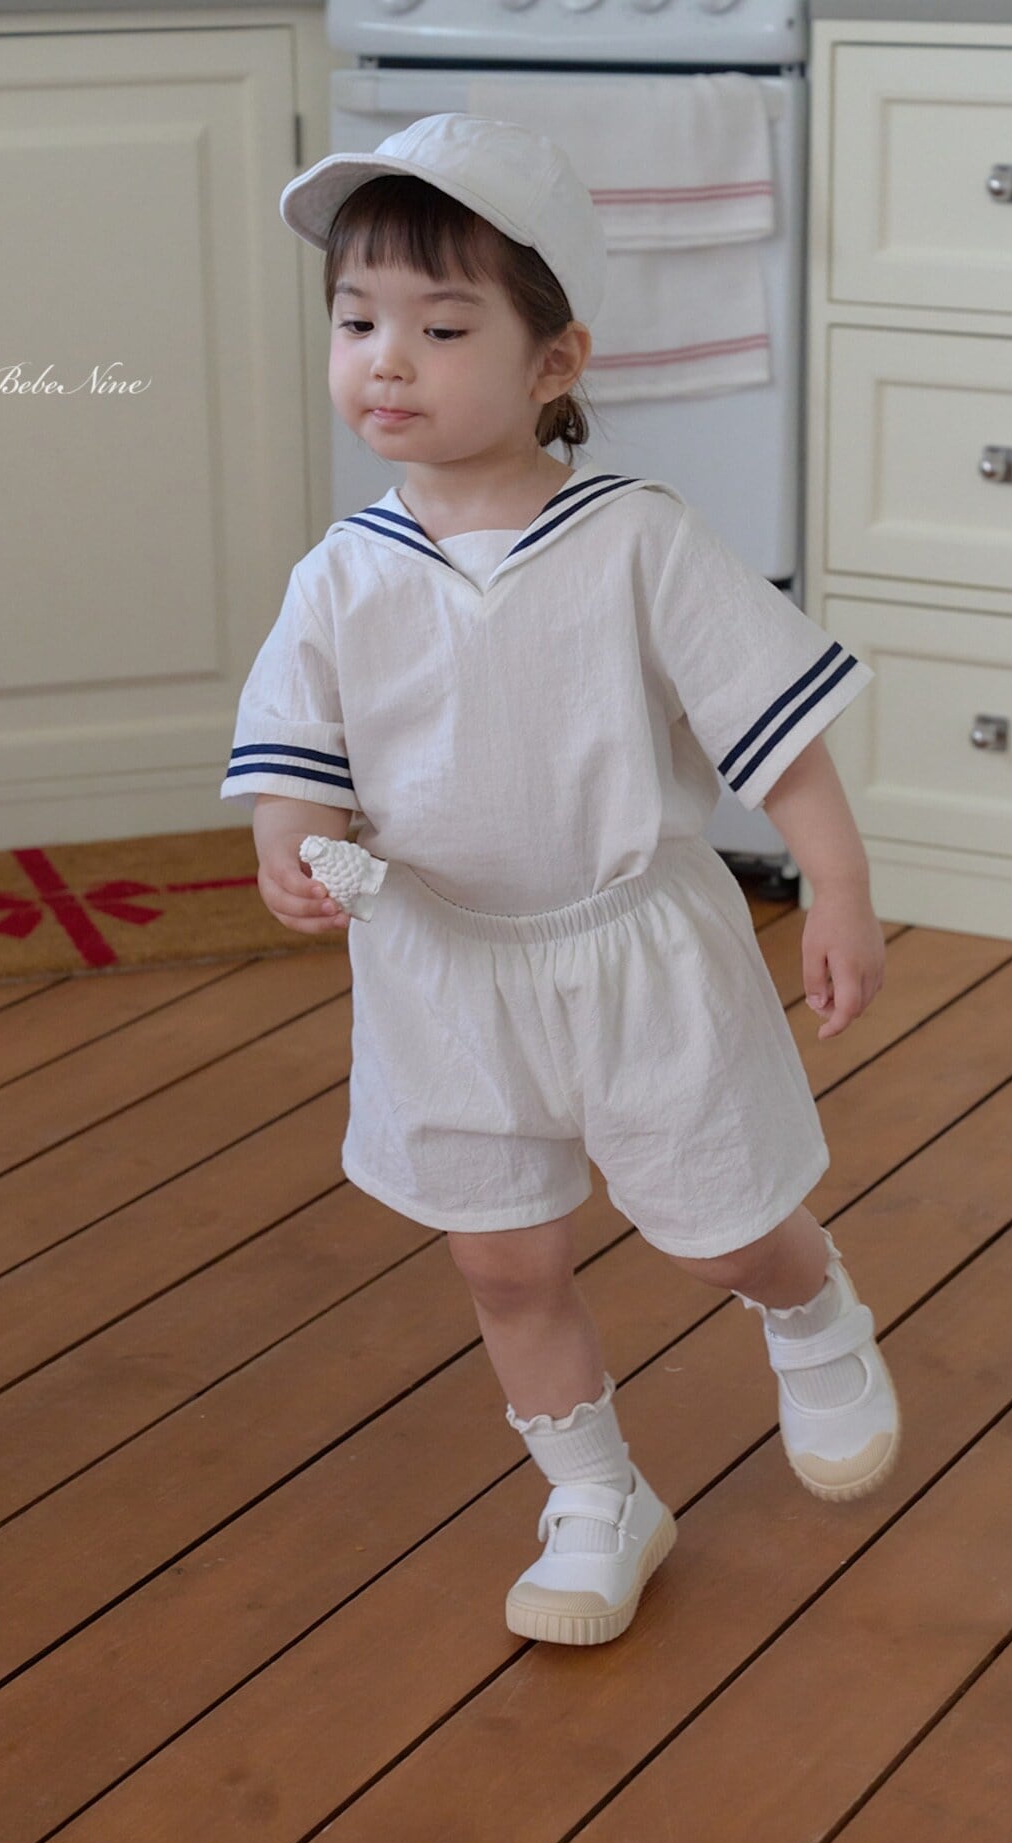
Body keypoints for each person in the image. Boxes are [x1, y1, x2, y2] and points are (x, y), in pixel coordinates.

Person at [222, 113, 900, 1649]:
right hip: (440, 974)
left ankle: (808, 1310)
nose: (387, 361)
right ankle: (596, 1495)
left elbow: (772, 734)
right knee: (505, 1265)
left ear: (555, 360)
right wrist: (290, 848)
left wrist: (839, 887)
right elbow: (296, 761)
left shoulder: (635, 541)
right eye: (357, 322)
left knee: (722, 1226)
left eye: (442, 326)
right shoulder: (338, 575)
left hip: (636, 952)